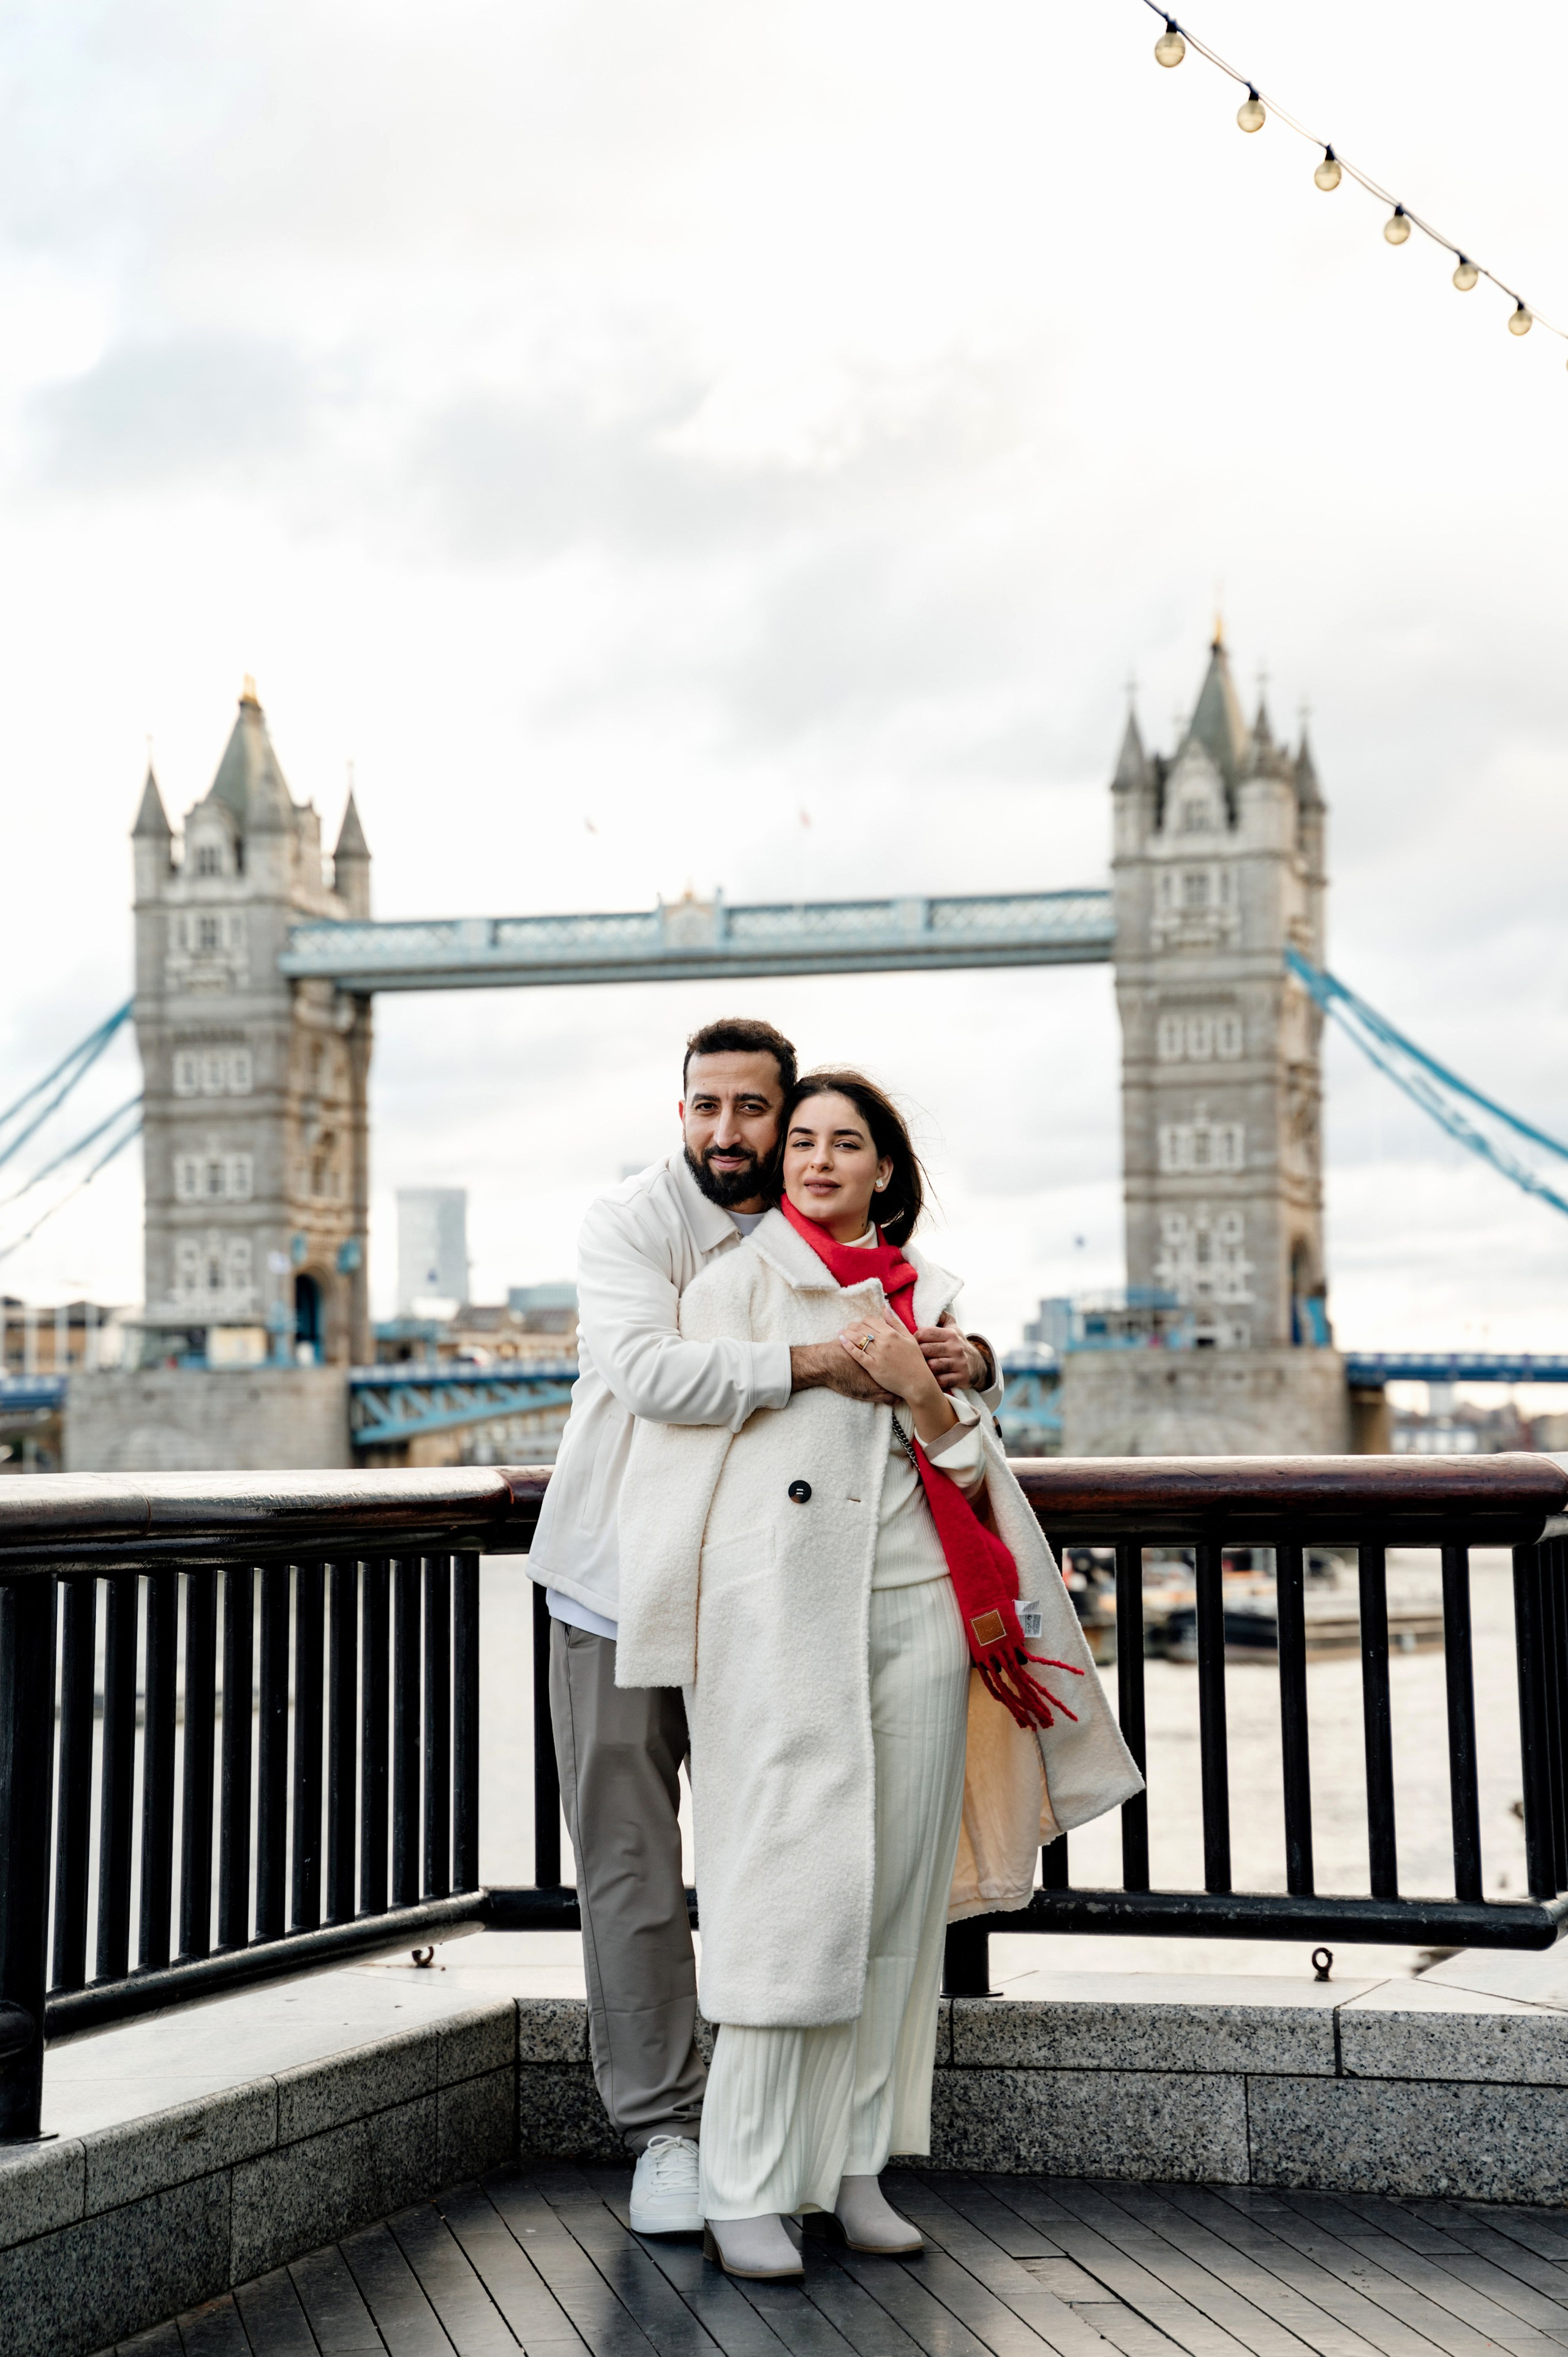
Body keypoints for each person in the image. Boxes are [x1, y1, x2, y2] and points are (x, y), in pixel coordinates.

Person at [615, 1069, 1142, 2279]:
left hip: (920, 1607)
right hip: (783, 1625)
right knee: (779, 1897)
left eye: (841, 1142)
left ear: (882, 1170)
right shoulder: (731, 1289)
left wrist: (931, 1385)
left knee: (897, 1901)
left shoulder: (936, 1303)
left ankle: (855, 2165)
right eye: (797, 1139)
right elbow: (671, 1456)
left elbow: (961, 1471)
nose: (812, 1158)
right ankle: (747, 2179)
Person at [526, 1020, 1002, 2236]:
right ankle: (668, 2133)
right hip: (618, 1577)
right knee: (633, 1863)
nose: (731, 1134)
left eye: (757, 1111)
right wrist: (818, 1361)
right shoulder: (633, 1223)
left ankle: (792, 2145)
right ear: (677, 1111)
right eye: (707, 1108)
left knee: (789, 1859)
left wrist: (962, 1359)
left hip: (779, 1591)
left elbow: (924, 1342)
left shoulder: (836, 1224)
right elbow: (649, 1371)